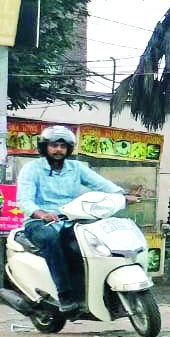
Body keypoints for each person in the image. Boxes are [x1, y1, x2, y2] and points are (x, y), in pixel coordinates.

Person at [16, 125, 127, 312]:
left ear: (68, 149)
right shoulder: (32, 169)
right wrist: (41, 214)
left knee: (91, 243)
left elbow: (100, 184)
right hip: (38, 223)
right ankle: (65, 295)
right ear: (45, 147)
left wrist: (121, 195)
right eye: (54, 145)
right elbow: (24, 200)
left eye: (63, 146)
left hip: (70, 220)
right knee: (52, 239)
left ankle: (99, 292)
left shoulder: (76, 168)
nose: (58, 150)